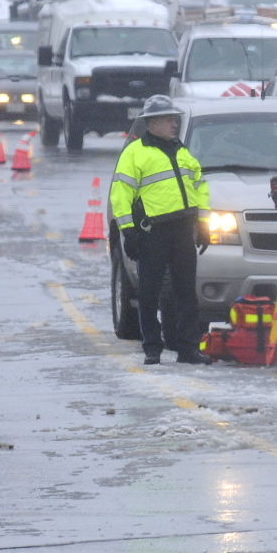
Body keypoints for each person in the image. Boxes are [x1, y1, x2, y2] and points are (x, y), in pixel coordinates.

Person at [110, 95, 213, 366]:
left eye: (174, 119)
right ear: (152, 122)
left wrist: (202, 223)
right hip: (152, 231)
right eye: (168, 119)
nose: (174, 124)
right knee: (149, 292)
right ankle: (152, 348)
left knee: (186, 293)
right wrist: (128, 232)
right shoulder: (135, 153)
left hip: (182, 230)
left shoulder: (182, 151)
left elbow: (199, 187)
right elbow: (120, 195)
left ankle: (188, 349)